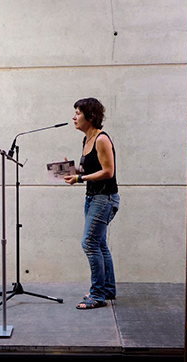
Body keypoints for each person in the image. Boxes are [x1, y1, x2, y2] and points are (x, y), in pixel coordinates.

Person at [64, 98, 120, 310]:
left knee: (89, 243)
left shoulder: (101, 139)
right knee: (100, 244)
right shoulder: (86, 140)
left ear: (91, 117)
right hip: (93, 197)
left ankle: (97, 295)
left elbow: (108, 171)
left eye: (78, 113)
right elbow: (88, 170)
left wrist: (79, 179)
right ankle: (107, 289)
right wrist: (72, 171)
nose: (74, 117)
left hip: (105, 198)